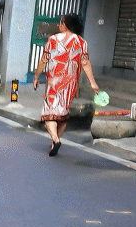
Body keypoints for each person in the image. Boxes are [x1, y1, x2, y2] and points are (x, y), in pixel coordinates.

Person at [38, 11, 99, 156]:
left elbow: (44, 60)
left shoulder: (52, 39)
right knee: (63, 114)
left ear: (65, 25)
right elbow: (85, 63)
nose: (59, 24)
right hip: (70, 83)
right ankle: (54, 142)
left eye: (61, 22)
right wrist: (93, 83)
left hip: (54, 81)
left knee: (49, 113)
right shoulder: (82, 42)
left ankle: (55, 139)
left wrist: (36, 76)